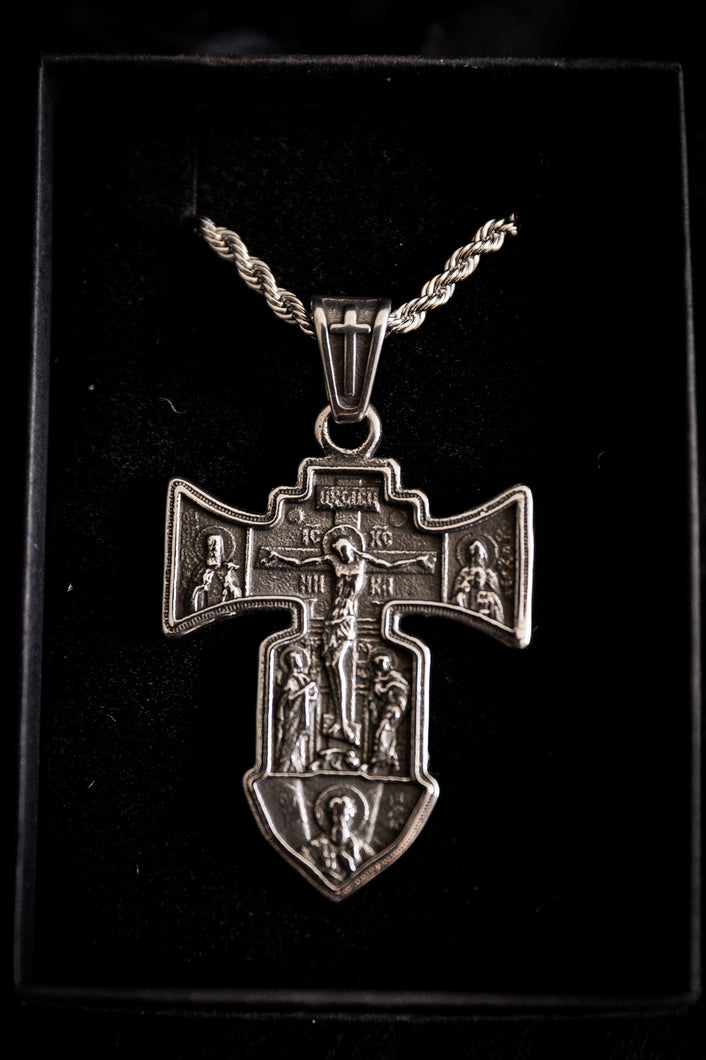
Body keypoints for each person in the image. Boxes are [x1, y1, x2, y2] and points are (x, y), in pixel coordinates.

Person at [300, 788, 374, 883]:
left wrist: (352, 868)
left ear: (351, 817)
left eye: (344, 815)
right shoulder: (317, 846)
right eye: (337, 815)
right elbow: (304, 858)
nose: (341, 820)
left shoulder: (362, 849)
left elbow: (373, 867)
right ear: (330, 817)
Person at [275, 646, 318, 773]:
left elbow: (313, 695)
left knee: (299, 739)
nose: (299, 662)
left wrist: (311, 689)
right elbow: (290, 697)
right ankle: (285, 766)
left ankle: (298, 766)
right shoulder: (291, 680)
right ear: (292, 662)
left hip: (302, 713)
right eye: (297, 659)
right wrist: (305, 689)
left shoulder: (303, 678)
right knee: (290, 739)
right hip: (292, 714)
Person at [367, 651, 409, 774]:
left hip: (394, 711)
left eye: (380, 664)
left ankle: (379, 760)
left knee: (383, 732)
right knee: (388, 734)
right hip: (390, 710)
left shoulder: (394, 679)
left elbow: (387, 693)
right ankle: (391, 760)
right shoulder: (387, 679)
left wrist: (378, 686)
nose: (377, 668)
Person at [452, 539, 504, 622]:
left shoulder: (489, 574)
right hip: (467, 600)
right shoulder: (464, 572)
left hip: (485, 602)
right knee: (459, 598)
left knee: (493, 600)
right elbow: (456, 591)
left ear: (483, 557)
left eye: (478, 555)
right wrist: (464, 588)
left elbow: (496, 592)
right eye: (472, 555)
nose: (475, 559)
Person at [190, 532, 241, 612]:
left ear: (221, 550)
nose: (213, 550)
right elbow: (192, 596)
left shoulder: (228, 571)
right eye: (210, 546)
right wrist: (202, 587)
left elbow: (237, 597)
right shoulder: (201, 571)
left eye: (215, 546)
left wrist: (230, 587)